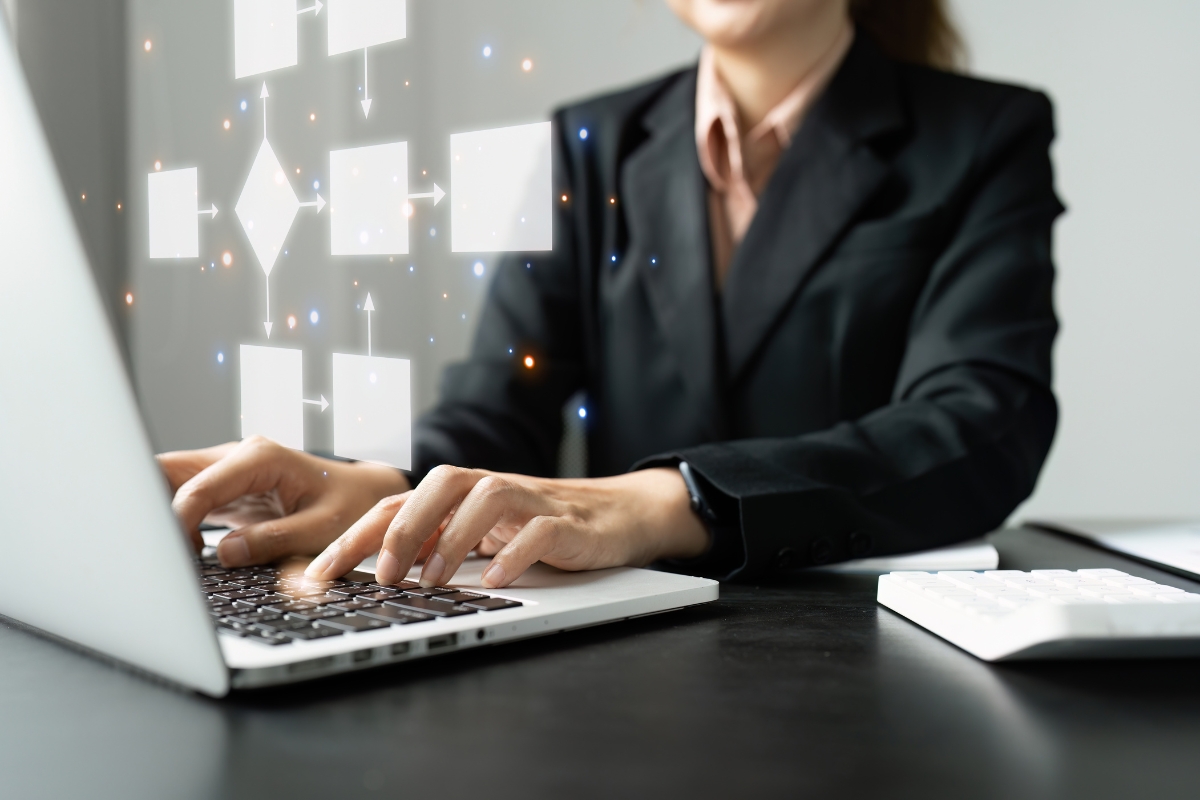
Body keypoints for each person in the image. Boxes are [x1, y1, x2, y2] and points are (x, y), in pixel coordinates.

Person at [161, 0, 1061, 589]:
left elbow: (980, 421)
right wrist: (378, 483)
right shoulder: (588, 143)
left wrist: (661, 503)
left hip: (865, 651)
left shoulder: (983, 135)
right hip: (623, 647)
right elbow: (497, 411)